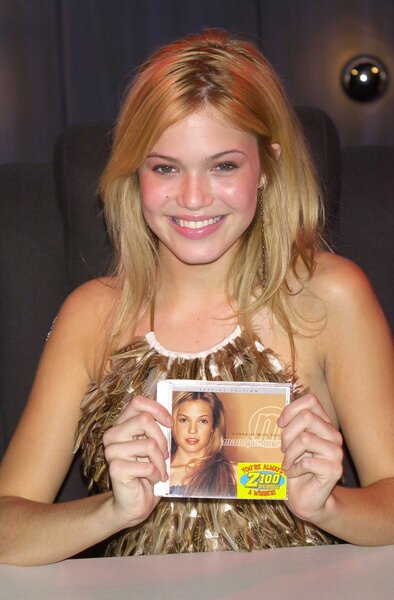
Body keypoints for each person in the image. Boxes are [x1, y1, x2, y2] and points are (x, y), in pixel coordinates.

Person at [0, 28, 393, 565]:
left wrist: (329, 507)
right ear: (135, 173)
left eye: (223, 165)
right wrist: (110, 512)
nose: (192, 198)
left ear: (266, 168)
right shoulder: (93, 315)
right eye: (165, 167)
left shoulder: (330, 297)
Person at [169, 391, 236, 497]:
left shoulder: (234, 473)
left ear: (213, 427)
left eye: (203, 421)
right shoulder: (155, 472)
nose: (192, 430)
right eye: (184, 420)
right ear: (172, 423)